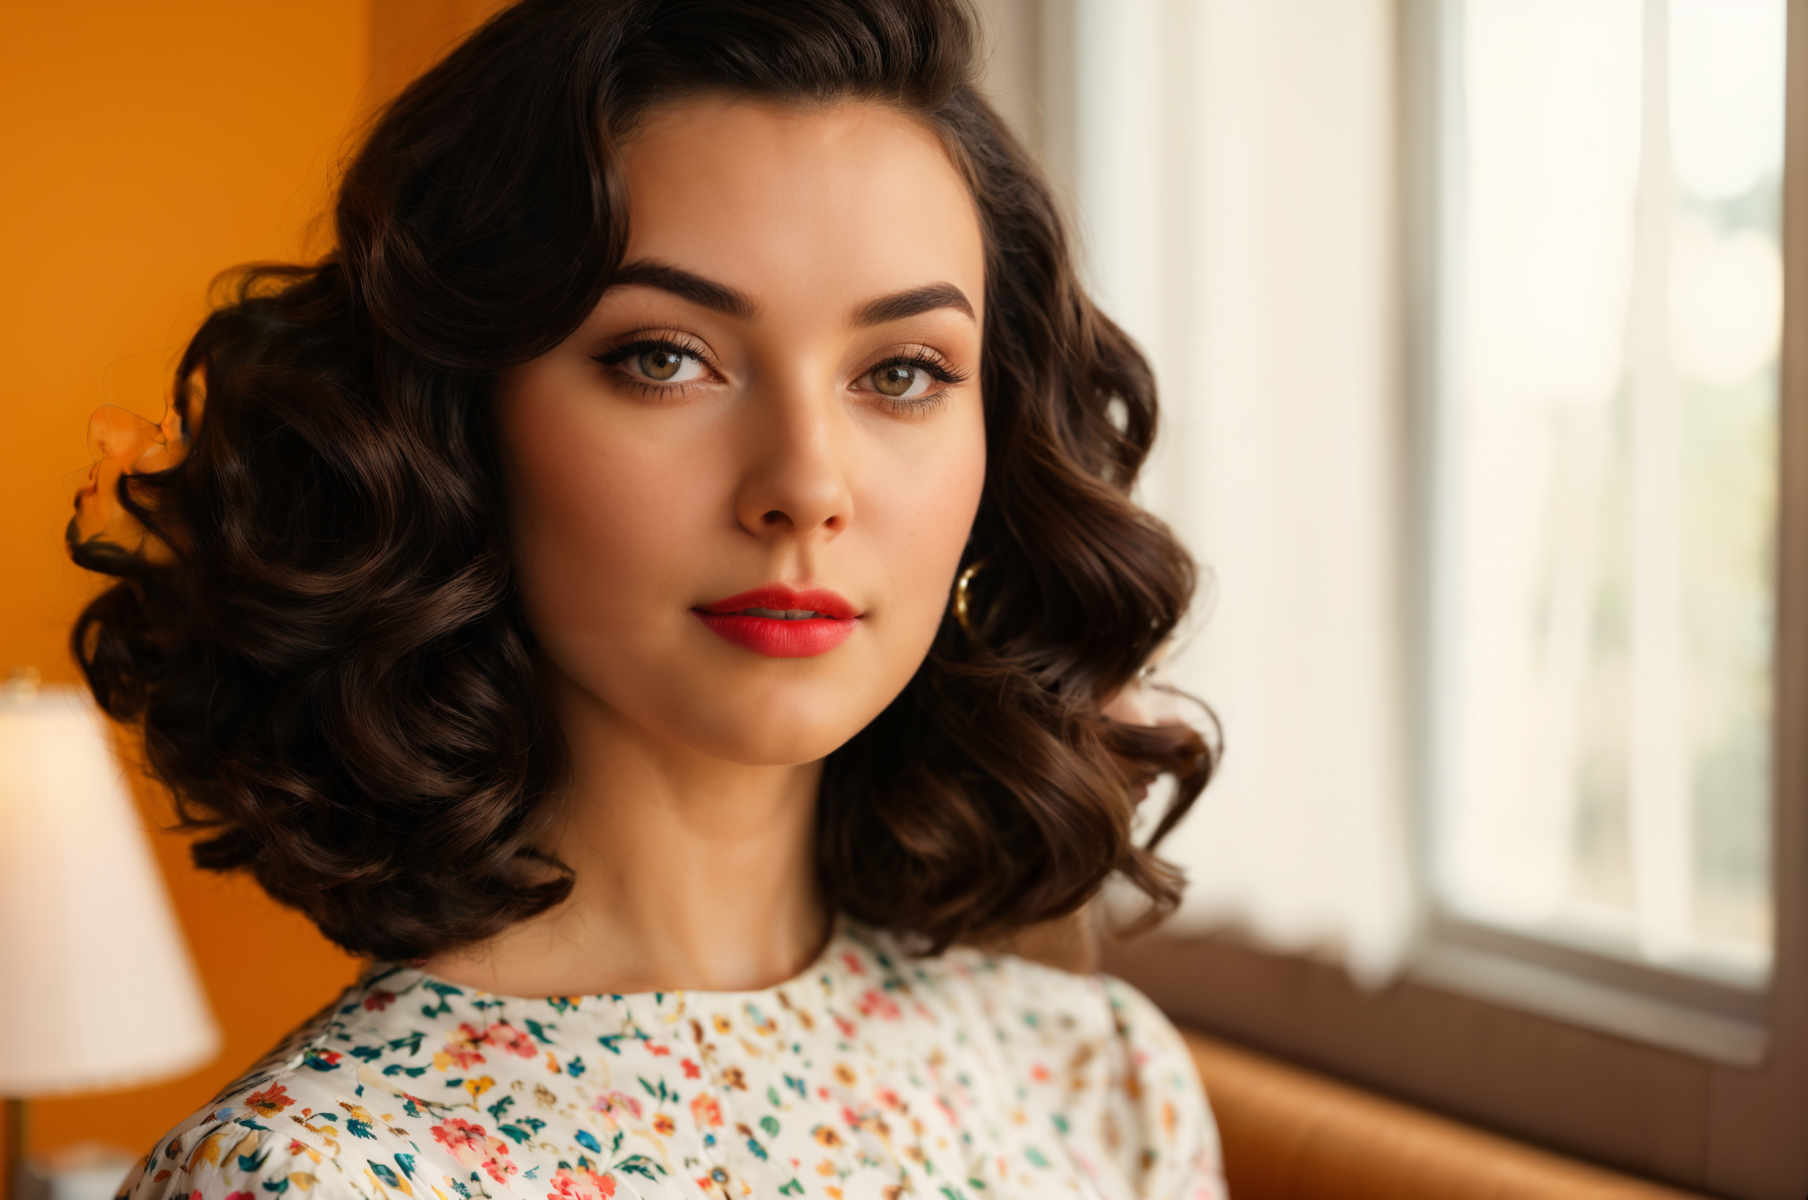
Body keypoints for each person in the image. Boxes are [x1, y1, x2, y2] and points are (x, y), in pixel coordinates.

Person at [71, 0, 1227, 1196]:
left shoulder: (1098, 1089)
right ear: (455, 426)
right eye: (663, 357)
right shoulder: (309, 1179)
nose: (805, 486)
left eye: (901, 372)